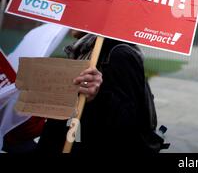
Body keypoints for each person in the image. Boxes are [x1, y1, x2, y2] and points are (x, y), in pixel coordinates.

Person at [36, 30, 167, 153]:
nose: (71, 22)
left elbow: (126, 124)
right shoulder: (83, 50)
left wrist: (96, 97)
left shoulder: (119, 54)